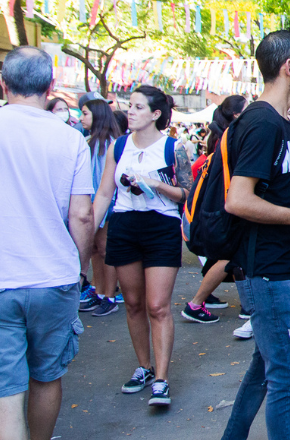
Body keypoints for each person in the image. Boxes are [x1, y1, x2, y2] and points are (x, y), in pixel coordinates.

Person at [221, 30, 290, 440]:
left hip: (277, 269)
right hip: (263, 272)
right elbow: (238, 200)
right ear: (289, 68)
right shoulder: (263, 122)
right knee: (286, 374)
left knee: (264, 367)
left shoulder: (280, 122)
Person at [0, 47, 95, 440]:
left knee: (7, 390)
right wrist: (81, 268)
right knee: (47, 375)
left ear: (3, 84)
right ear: (50, 86)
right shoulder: (71, 139)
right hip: (54, 277)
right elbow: (83, 215)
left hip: (3, 278)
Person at [89, 85, 191, 407]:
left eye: (137, 107)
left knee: (157, 305)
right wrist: (88, 230)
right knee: (132, 302)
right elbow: (105, 193)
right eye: (129, 106)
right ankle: (144, 367)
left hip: (160, 227)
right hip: (123, 225)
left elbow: (185, 192)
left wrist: (157, 185)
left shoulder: (173, 147)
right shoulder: (118, 147)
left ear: (155, 114)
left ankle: (161, 379)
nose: (129, 111)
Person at [181, 95, 249, 326]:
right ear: (237, 115)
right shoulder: (230, 142)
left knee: (227, 256)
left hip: (214, 213)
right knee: (229, 256)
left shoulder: (221, 139)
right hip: (223, 212)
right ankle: (196, 303)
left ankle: (214, 300)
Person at [78, 99, 125, 317]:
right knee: (95, 249)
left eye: (85, 113)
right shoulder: (89, 142)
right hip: (93, 206)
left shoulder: (110, 144)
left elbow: (107, 186)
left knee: (105, 250)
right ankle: (99, 292)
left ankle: (109, 296)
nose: (81, 118)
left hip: (109, 208)